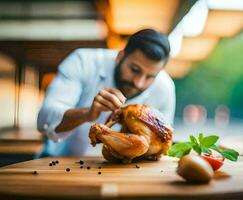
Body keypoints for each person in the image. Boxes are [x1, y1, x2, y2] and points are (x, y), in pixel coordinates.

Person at [37, 29, 176, 157]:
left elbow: (162, 142)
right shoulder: (83, 61)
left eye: (150, 77)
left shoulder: (165, 87)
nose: (138, 83)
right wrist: (87, 114)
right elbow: (44, 119)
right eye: (134, 69)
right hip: (60, 161)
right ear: (120, 56)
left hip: (125, 173)